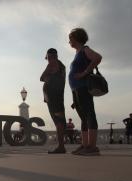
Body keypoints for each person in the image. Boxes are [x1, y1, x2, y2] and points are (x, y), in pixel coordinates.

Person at [68, 28, 102, 156]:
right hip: (76, 89)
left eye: (70, 38)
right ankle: (85, 145)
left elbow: (98, 58)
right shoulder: (77, 53)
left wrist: (84, 72)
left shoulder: (85, 50)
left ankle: (92, 146)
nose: (69, 41)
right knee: (83, 117)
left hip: (83, 87)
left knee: (89, 114)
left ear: (77, 38)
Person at [40, 48, 67, 154]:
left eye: (47, 57)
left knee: (58, 122)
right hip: (59, 96)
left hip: (53, 98)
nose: (47, 60)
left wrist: (48, 78)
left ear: (50, 56)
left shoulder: (51, 65)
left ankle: (61, 146)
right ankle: (61, 146)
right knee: (60, 120)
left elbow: (41, 77)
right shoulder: (62, 66)